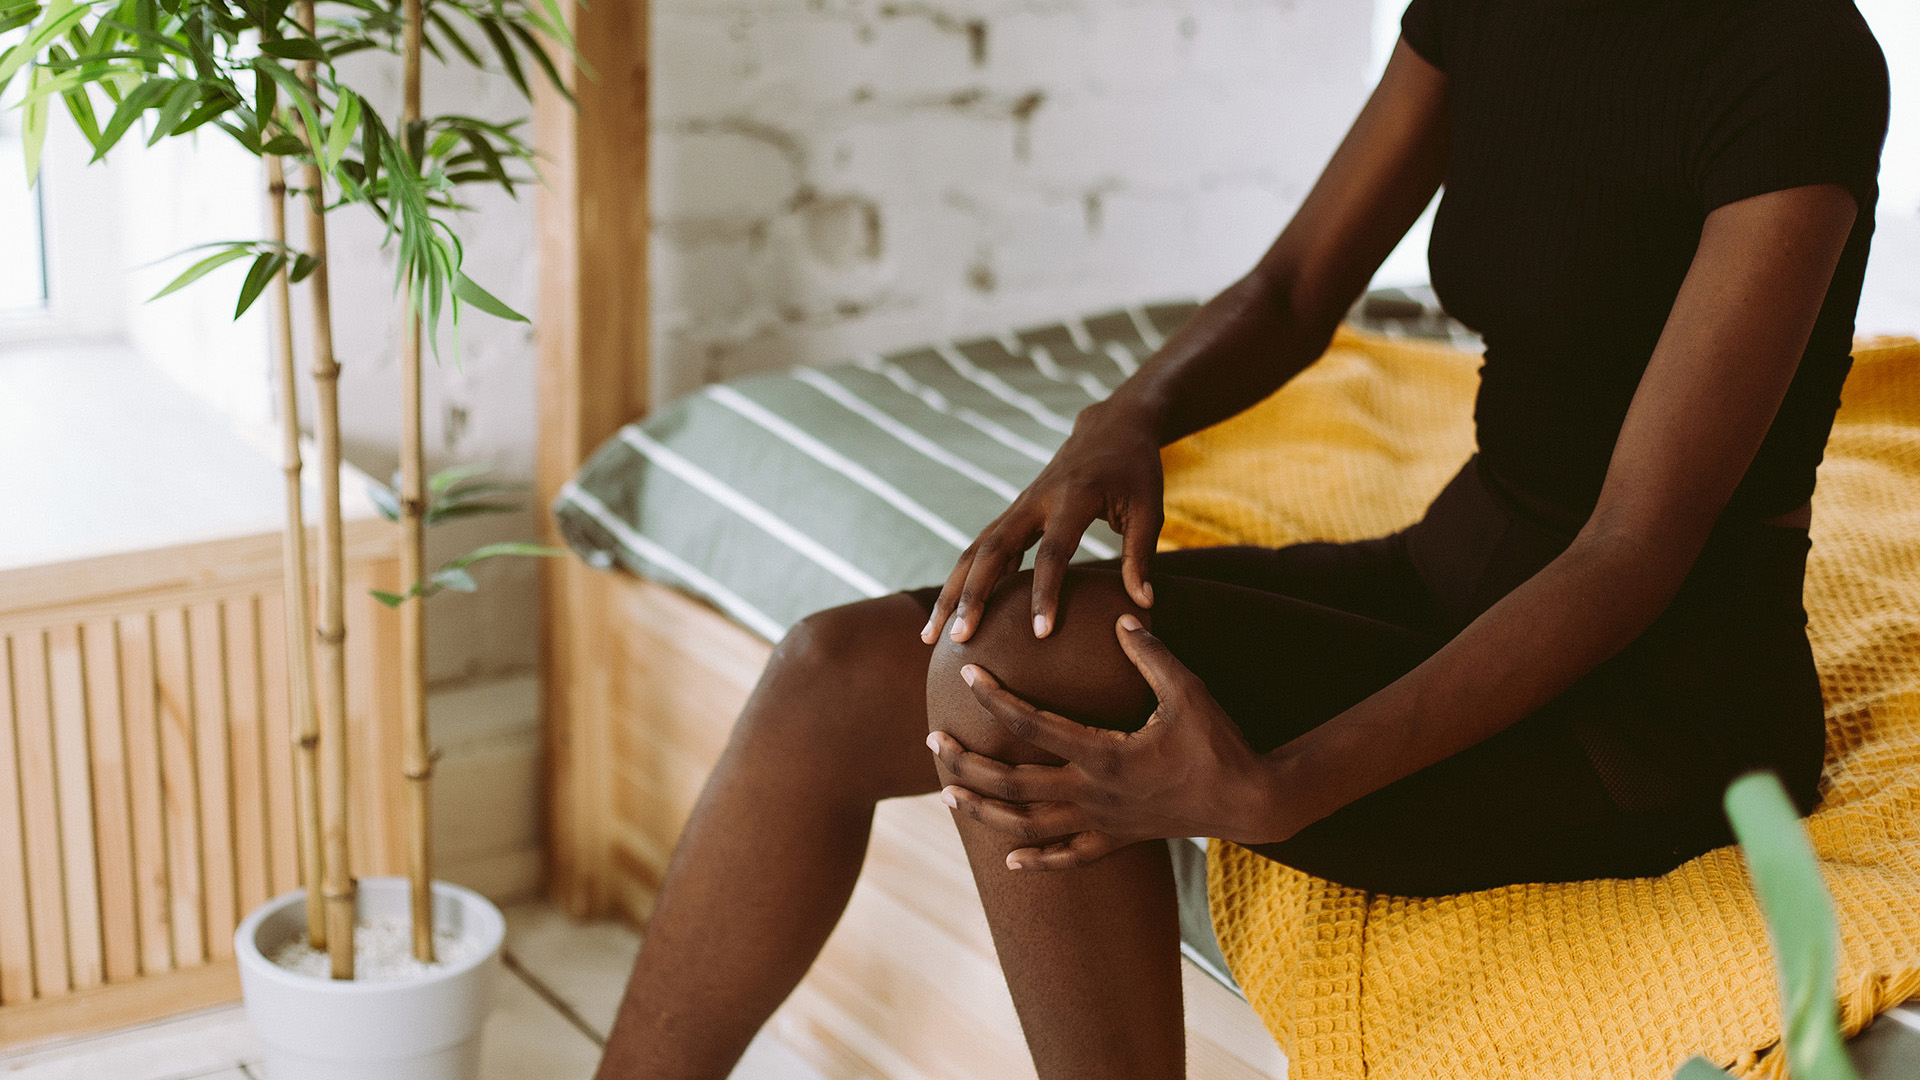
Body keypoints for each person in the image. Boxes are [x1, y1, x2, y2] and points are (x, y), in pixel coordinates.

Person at [593, 0, 1890, 1075]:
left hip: (1649, 707)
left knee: (1003, 684)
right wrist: (1127, 417)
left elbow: (1627, 554)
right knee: (833, 676)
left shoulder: (1798, 66)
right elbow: (1289, 287)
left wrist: (1281, 786)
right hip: (1451, 573)